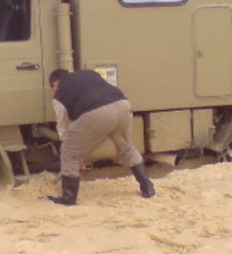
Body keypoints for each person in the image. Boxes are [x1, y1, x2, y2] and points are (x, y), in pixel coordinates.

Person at [48, 68, 156, 205]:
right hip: (122, 105)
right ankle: (147, 187)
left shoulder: (59, 96)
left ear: (55, 83)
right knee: (126, 146)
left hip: (97, 114)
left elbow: (63, 126)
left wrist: (71, 147)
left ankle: (68, 198)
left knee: (68, 153)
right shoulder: (89, 74)